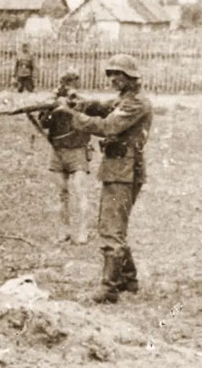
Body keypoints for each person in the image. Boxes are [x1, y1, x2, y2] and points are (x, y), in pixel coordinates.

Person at [54, 54, 152, 304]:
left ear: (131, 77)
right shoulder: (126, 99)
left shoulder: (136, 104)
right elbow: (106, 106)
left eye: (118, 74)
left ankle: (109, 288)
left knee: (110, 228)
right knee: (114, 225)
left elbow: (108, 126)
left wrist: (72, 115)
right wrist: (82, 103)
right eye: (110, 74)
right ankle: (128, 280)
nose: (113, 79)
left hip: (124, 171)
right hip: (118, 169)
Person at [38, 69, 92, 245]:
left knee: (79, 191)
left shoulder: (82, 102)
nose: (69, 87)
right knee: (62, 194)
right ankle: (64, 231)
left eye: (72, 82)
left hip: (77, 151)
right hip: (58, 151)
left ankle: (83, 232)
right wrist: (52, 106)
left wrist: (71, 105)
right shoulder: (53, 103)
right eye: (66, 83)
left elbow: (88, 118)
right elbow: (44, 123)